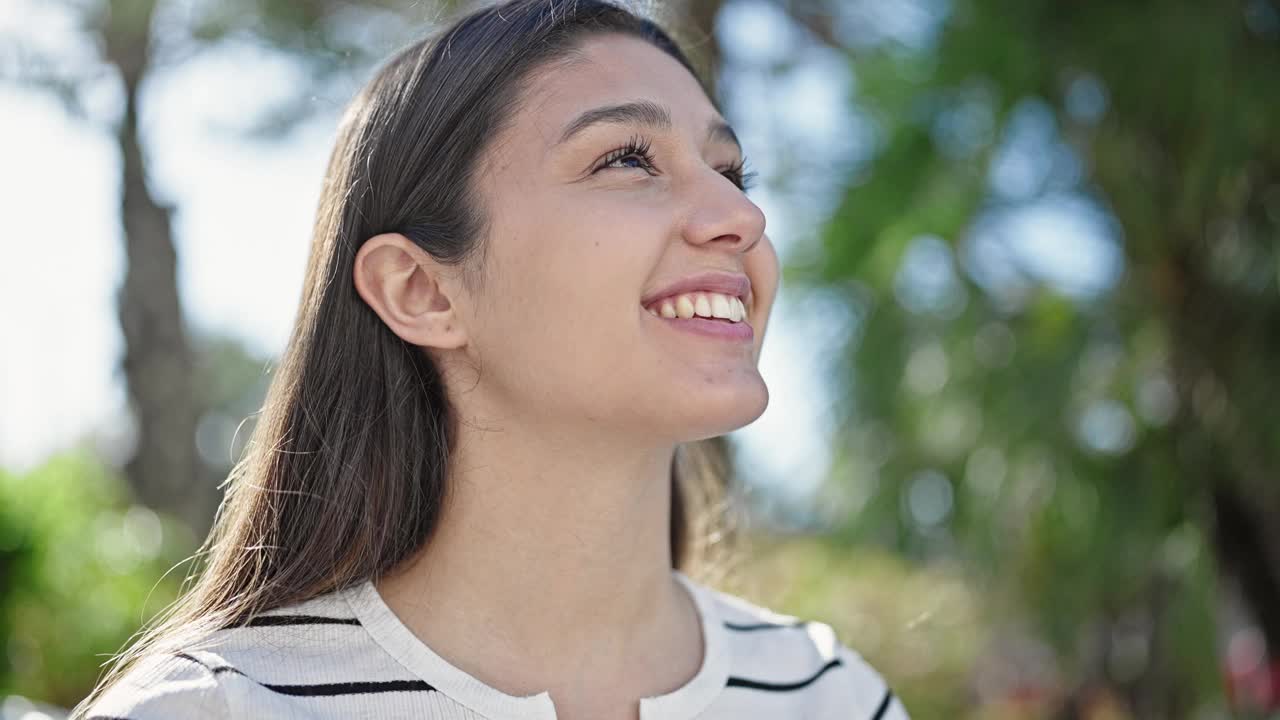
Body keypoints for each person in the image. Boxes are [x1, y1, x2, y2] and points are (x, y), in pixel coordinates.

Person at [76, 0, 907, 718]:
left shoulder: (830, 695)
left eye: (732, 171)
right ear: (422, 291)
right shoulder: (215, 708)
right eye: (627, 158)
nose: (739, 215)